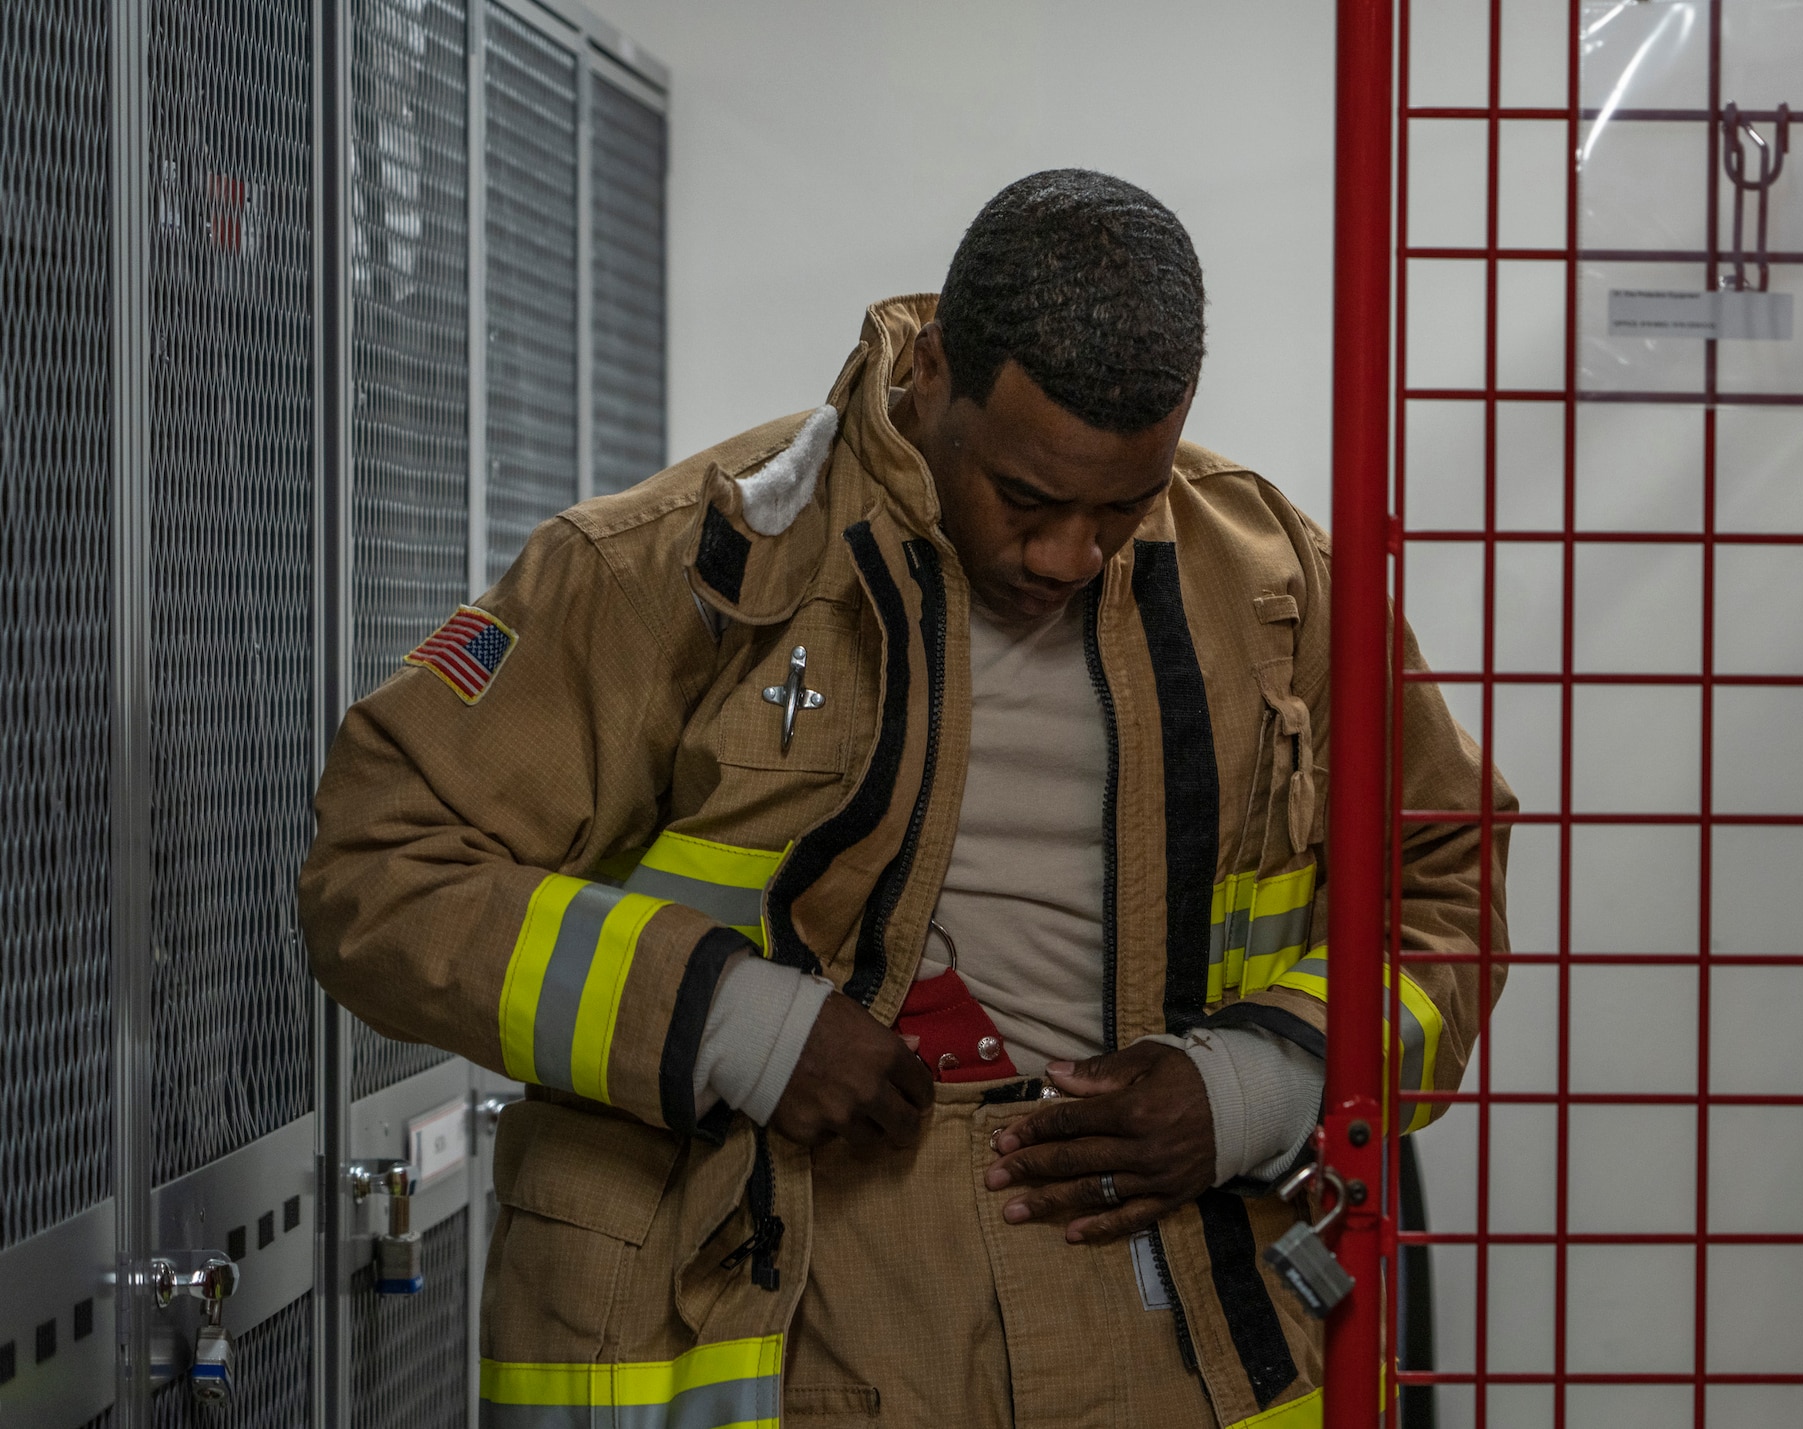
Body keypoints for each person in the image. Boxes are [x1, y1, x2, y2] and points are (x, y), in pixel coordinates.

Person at [301, 168, 1511, 1429]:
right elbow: (378, 872)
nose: (1068, 557)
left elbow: (1446, 882)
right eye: (1028, 499)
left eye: (1122, 505)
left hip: (1168, 1307)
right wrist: (734, 1026)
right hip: (788, 1298)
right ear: (931, 370)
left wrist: (1245, 1090)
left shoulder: (1273, 584)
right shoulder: (680, 567)